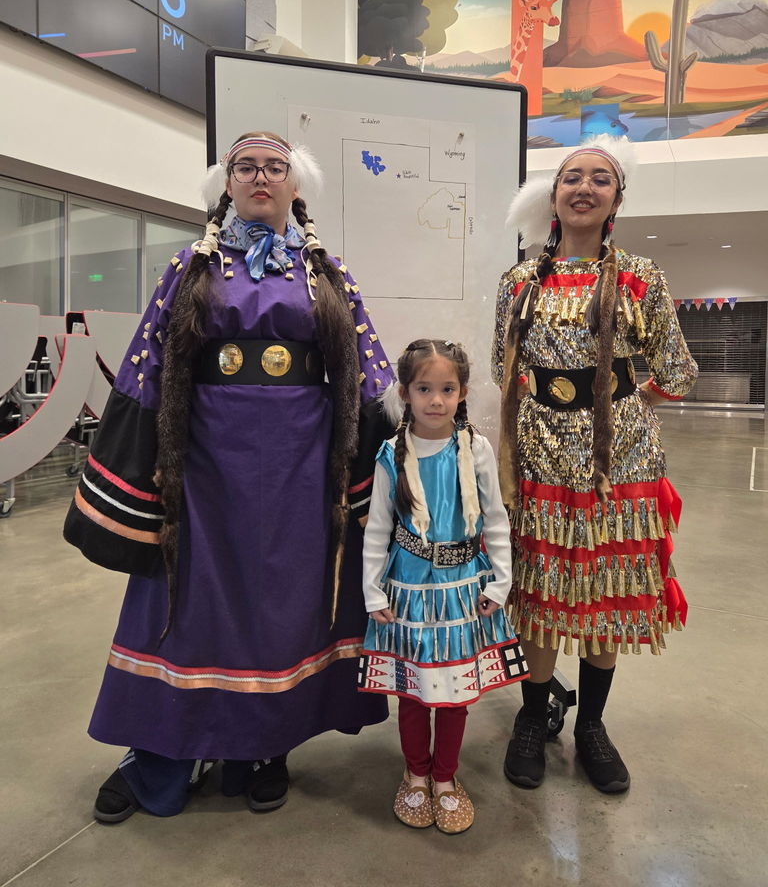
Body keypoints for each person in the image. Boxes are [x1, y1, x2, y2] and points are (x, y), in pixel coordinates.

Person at [64, 131, 394, 821]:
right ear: (228, 183)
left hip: (301, 468)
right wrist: (142, 469)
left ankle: (264, 748)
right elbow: (147, 367)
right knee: (185, 603)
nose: (261, 176)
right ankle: (159, 753)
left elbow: (365, 374)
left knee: (288, 603)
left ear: (294, 186)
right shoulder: (191, 266)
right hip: (205, 467)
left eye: (276, 167)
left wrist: (384, 469)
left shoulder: (327, 273)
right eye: (247, 166)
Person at [493, 134, 697, 794]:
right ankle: (533, 717)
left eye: (599, 180)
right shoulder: (520, 280)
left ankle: (593, 727)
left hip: (620, 458)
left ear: (616, 199)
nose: (583, 187)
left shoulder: (643, 276)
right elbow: (506, 368)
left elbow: (676, 370)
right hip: (539, 451)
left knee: (606, 592)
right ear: (553, 196)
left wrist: (621, 402)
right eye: (571, 177)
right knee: (544, 595)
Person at [359, 339, 528, 833]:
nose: (436, 399)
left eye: (447, 389)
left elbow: (494, 519)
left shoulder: (475, 449)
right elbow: (378, 528)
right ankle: (415, 773)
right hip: (408, 587)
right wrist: (373, 591)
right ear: (406, 393)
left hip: (463, 591)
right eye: (424, 388)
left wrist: (501, 583)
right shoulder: (391, 454)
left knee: (456, 691)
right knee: (413, 690)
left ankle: (446, 778)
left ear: (463, 392)